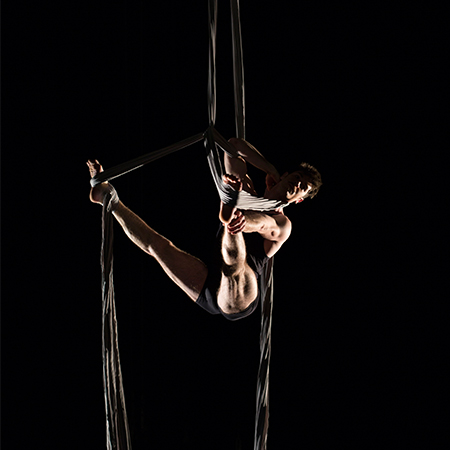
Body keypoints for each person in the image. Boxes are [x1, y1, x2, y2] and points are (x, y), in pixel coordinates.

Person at [87, 137, 322, 321]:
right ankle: (107, 196)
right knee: (157, 246)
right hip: (212, 279)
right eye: (298, 177)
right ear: (286, 175)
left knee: (234, 263)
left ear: (299, 199)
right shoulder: (249, 187)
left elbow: (263, 224)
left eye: (304, 187)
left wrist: (240, 221)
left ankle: (230, 215)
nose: (299, 184)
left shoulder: (283, 224)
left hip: (240, 292)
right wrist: (268, 167)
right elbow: (233, 146)